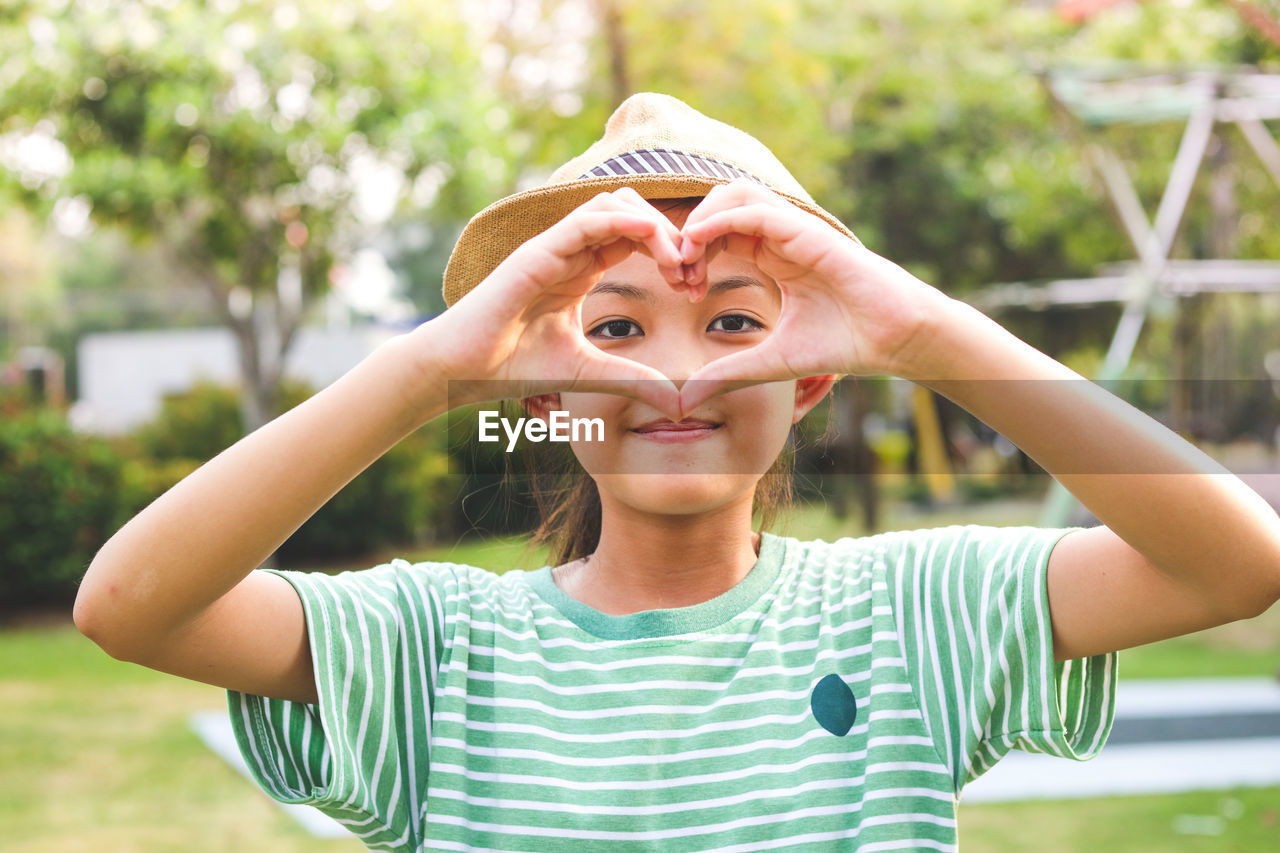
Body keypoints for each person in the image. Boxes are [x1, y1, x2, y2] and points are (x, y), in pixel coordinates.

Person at [74, 93, 1280, 851]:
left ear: (810, 376)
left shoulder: (909, 616)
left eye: (733, 324)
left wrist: (916, 332)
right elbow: (129, 603)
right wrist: (434, 368)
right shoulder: (437, 647)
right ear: (538, 386)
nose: (673, 374)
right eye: (613, 328)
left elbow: (1232, 560)